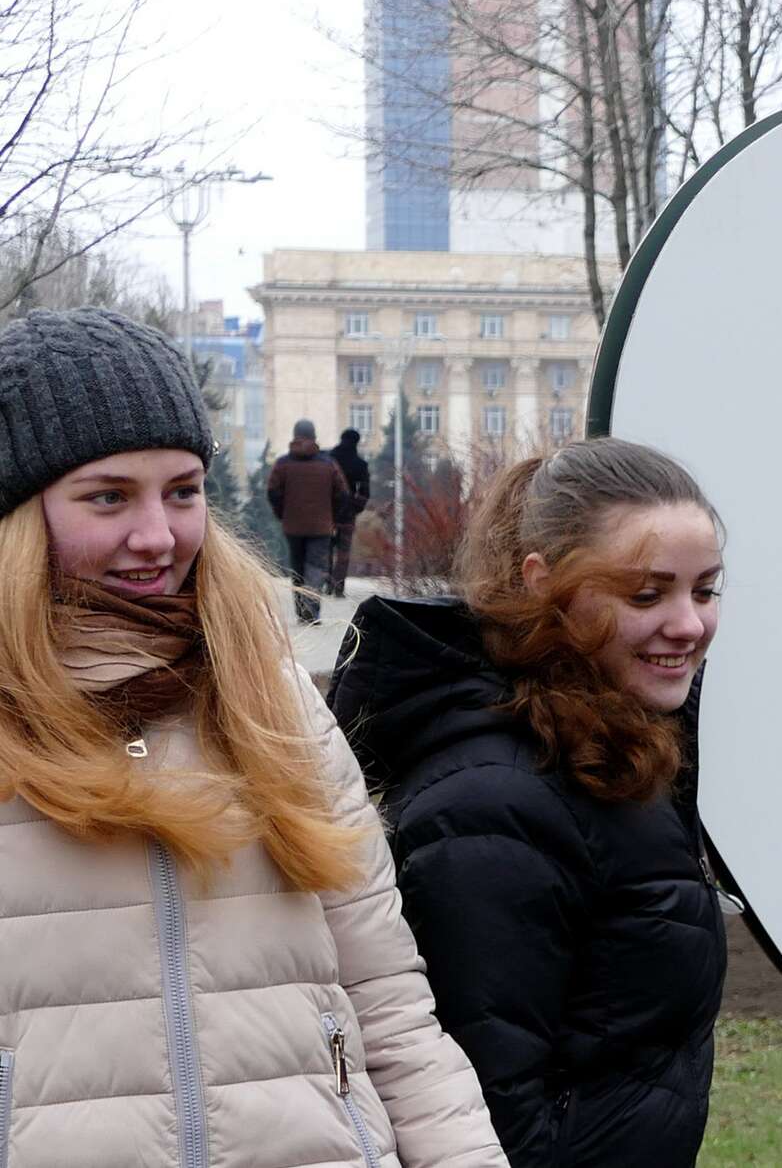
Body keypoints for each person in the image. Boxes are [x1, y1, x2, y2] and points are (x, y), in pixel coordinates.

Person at [0, 307, 506, 1167]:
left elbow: (388, 1002)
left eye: (183, 491)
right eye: (108, 496)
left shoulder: (274, 699)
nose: (158, 535)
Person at [331, 438, 729, 1166]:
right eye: (647, 594)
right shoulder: (496, 803)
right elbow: (486, 1117)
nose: (689, 624)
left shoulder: (614, 752)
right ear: (542, 582)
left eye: (705, 591)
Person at [267, 417, 349, 622]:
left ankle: (301, 610)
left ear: (295, 436)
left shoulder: (283, 464)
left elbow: (273, 492)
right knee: (316, 567)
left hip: (292, 525)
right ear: (314, 436)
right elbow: (342, 494)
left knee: (297, 568)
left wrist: (282, 513)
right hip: (321, 526)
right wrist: (333, 516)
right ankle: (310, 611)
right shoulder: (328, 464)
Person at [329, 427, 372, 596]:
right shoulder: (360, 464)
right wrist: (356, 508)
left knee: (325, 549)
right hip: (347, 513)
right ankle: (338, 587)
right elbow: (365, 491)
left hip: (326, 512)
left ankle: (326, 582)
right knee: (343, 552)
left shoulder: (328, 459)